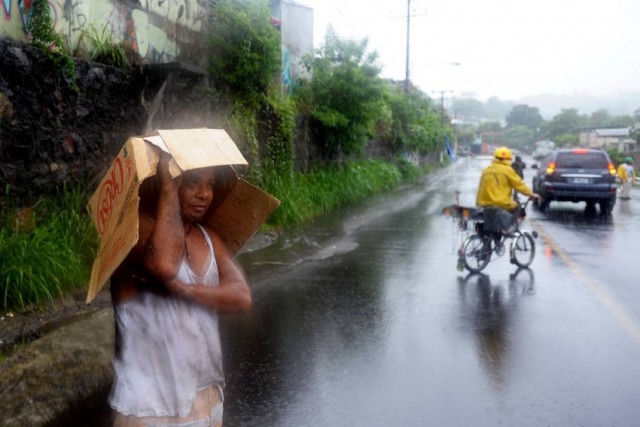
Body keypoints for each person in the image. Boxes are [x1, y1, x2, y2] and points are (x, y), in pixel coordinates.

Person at [108, 152, 252, 427]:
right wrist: (167, 188)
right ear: (170, 182)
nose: (204, 194)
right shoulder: (135, 231)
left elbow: (241, 296)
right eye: (193, 182)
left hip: (207, 399)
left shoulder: (207, 238)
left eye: (209, 184)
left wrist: (186, 291)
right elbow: (164, 265)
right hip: (150, 410)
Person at [476, 147, 540, 233]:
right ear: (508, 159)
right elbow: (519, 185)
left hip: (484, 204)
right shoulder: (507, 170)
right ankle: (507, 229)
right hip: (500, 203)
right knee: (517, 207)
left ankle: (493, 242)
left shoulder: (486, 170)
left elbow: (481, 188)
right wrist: (531, 194)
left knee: (492, 226)